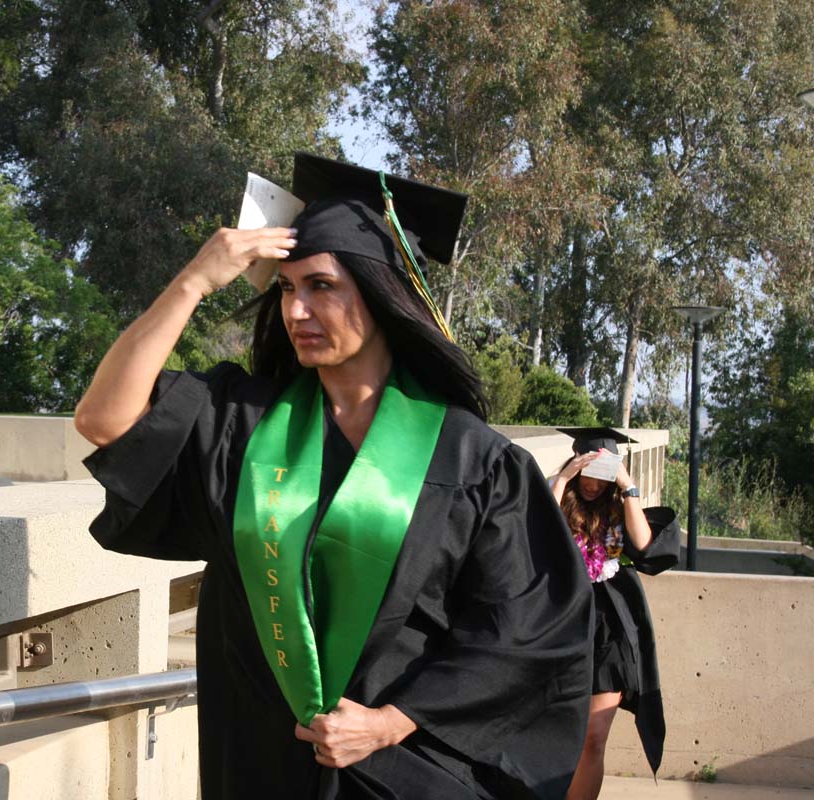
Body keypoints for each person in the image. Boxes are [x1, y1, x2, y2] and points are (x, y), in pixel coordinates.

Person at [75, 152, 594, 800]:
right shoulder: (241, 424)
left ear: (379, 294)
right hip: (261, 765)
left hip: (402, 770)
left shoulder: (472, 461)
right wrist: (194, 282)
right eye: (286, 288)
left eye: (321, 286)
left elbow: (525, 627)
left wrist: (390, 722)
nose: (296, 311)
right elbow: (103, 419)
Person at [550, 428, 680, 800]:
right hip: (561, 624)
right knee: (560, 734)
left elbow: (643, 544)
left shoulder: (618, 508)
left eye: (602, 476)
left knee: (594, 737)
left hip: (610, 631)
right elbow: (538, 527)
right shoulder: (561, 499)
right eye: (588, 474)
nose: (594, 484)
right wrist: (563, 478)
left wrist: (628, 486)